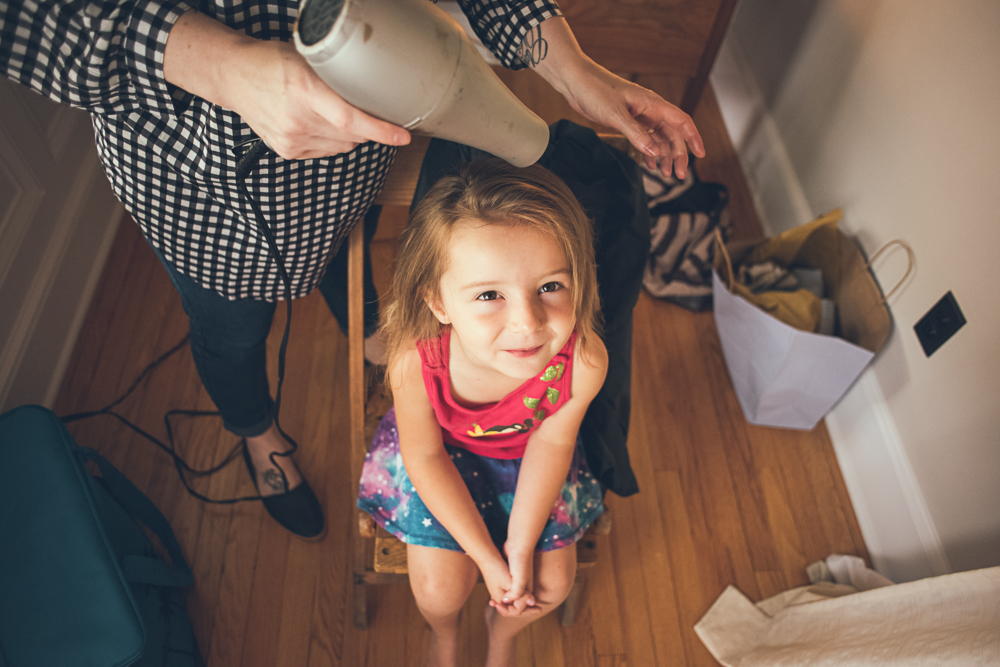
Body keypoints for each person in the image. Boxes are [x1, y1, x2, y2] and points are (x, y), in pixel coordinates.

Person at [0, 0, 704, 538]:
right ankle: (257, 431)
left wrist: (573, 72)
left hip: (353, 160)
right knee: (230, 331)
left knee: (348, 254)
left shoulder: (577, 360)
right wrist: (222, 63)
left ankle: (364, 324)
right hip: (203, 191)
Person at [357, 158, 605, 667]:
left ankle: (502, 633)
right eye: (490, 295)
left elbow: (552, 442)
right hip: (440, 456)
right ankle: (444, 635)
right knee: (439, 591)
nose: (527, 322)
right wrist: (487, 558)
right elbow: (424, 457)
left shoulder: (583, 360)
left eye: (551, 287)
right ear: (440, 304)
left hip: (530, 457)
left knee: (551, 583)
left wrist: (518, 547)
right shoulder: (413, 360)